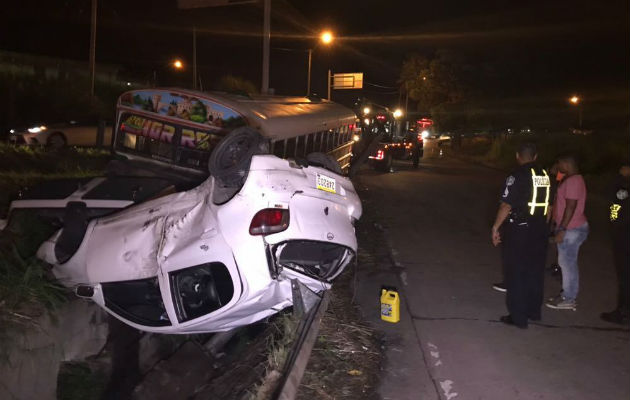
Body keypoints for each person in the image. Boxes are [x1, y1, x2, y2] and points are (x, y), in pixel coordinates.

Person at [492, 142, 550, 328]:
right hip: (540, 229)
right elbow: (550, 206)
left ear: (518, 156)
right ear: (535, 156)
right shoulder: (545, 175)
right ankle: (534, 311)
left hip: (519, 229)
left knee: (516, 272)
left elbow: (506, 205)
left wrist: (495, 228)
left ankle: (518, 317)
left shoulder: (516, 175)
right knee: (535, 270)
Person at [546, 154, 589, 311]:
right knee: (565, 262)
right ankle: (566, 294)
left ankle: (569, 298)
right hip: (569, 227)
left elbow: (570, 207)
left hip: (571, 229)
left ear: (566, 164)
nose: (558, 166)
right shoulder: (571, 179)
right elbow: (554, 177)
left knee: (568, 263)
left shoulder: (573, 181)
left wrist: (562, 229)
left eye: (559, 164)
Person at [600, 162, 630, 324]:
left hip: (624, 236)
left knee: (625, 276)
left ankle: (623, 311)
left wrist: (620, 178)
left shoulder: (623, 188)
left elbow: (611, 193)